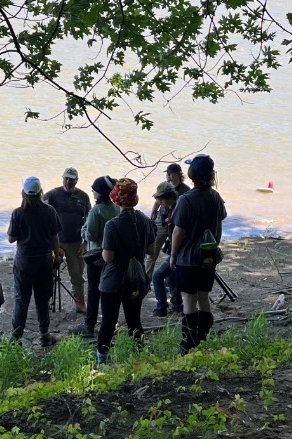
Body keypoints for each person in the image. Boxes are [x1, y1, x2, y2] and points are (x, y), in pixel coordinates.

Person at [170, 155, 227, 353]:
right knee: (204, 298)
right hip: (207, 258)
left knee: (188, 301)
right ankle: (202, 338)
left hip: (187, 259)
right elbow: (218, 227)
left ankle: (188, 343)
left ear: (191, 174)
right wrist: (214, 246)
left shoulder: (185, 200)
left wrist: (173, 255)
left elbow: (178, 231)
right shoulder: (216, 197)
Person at [96, 179, 153, 364]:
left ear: (117, 200)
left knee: (109, 322)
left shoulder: (112, 225)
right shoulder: (144, 220)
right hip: (136, 280)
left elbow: (108, 257)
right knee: (134, 320)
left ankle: (102, 361)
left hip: (113, 281)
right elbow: (151, 251)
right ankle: (139, 355)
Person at [7, 176, 62, 346]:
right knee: (42, 300)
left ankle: (16, 337)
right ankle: (45, 335)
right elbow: (55, 237)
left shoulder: (18, 213)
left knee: (21, 300)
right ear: (40, 193)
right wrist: (57, 256)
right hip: (44, 262)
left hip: (24, 263)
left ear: (23, 193)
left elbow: (11, 239)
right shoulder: (50, 211)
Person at [69, 175, 119, 338]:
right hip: (112, 253)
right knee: (108, 288)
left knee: (93, 289)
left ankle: (89, 324)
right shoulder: (116, 207)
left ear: (101, 192)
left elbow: (91, 234)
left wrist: (83, 229)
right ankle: (109, 322)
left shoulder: (96, 211)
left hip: (96, 255)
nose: (92, 191)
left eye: (95, 189)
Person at [43, 166, 91, 314]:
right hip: (55, 240)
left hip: (76, 241)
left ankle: (80, 301)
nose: (68, 181)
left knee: (77, 273)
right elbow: (41, 214)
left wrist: (85, 241)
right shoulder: (51, 195)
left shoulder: (83, 197)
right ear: (62, 178)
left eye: (71, 179)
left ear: (77, 180)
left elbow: (89, 220)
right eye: (66, 178)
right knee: (48, 272)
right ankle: (45, 301)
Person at [146, 181, 181, 317]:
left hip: (178, 252)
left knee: (157, 276)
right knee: (171, 275)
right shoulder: (172, 207)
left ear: (169, 197)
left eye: (161, 199)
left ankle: (161, 307)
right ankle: (177, 305)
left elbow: (179, 233)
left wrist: (173, 255)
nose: (160, 202)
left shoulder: (177, 209)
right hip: (177, 251)